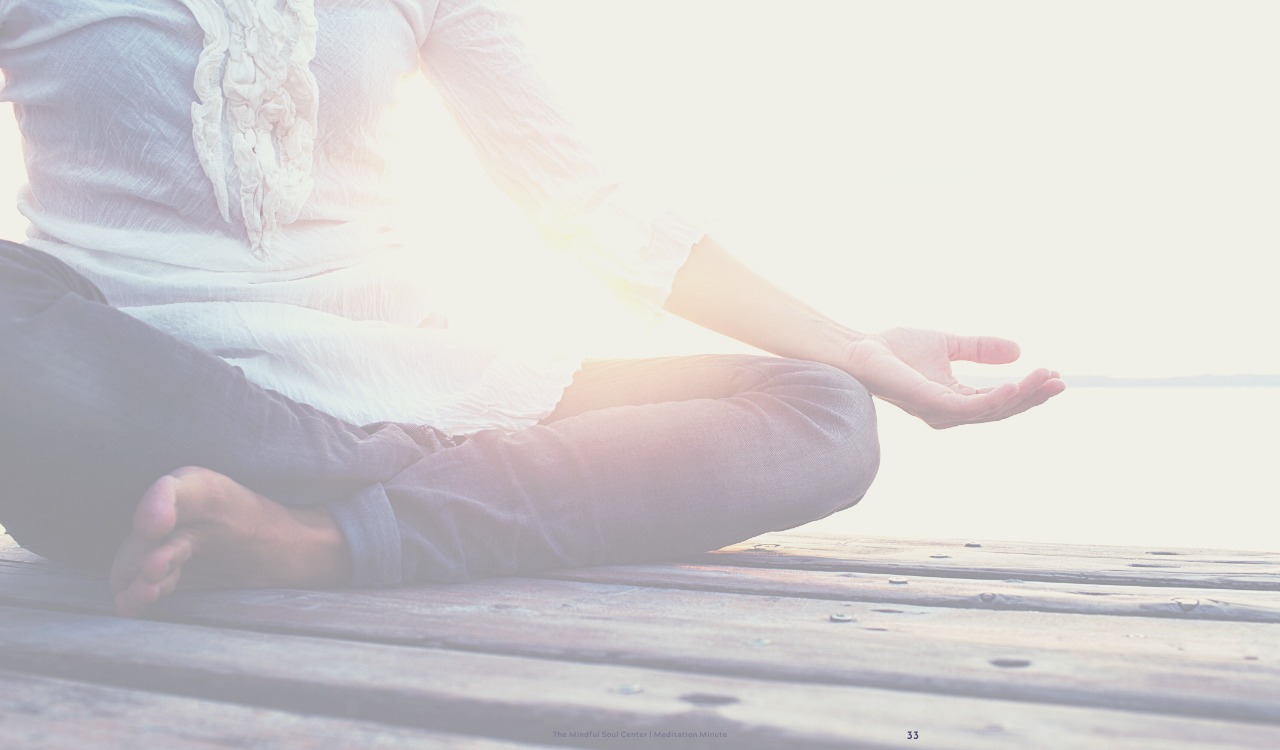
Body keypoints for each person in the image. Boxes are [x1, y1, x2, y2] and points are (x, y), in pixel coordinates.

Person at [0, 1, 1064, 617]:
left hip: (399, 385)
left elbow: (585, 202)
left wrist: (860, 351)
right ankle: (399, 501)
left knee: (822, 413)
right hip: (134, 397)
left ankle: (322, 541)